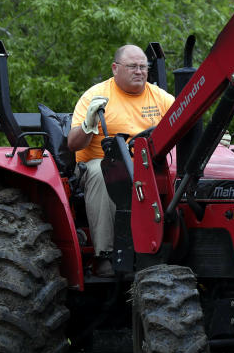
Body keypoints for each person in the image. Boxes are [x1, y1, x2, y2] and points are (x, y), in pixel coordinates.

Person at [68, 44, 175, 277]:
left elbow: (183, 128)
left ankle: (173, 245)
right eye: (132, 67)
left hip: (147, 163)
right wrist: (88, 124)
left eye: (143, 67)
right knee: (102, 172)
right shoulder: (95, 96)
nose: (139, 71)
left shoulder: (161, 98)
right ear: (115, 68)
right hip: (102, 162)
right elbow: (73, 144)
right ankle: (106, 255)